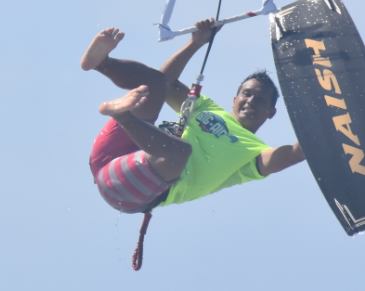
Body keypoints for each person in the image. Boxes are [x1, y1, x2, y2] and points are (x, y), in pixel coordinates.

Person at [81, 21, 304, 216]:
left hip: (133, 189)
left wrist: (331, 116)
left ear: (271, 113)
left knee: (181, 151)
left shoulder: (255, 153)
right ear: (235, 99)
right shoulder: (207, 107)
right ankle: (102, 63)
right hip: (109, 156)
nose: (251, 101)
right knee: (158, 83)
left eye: (261, 99)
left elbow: (295, 153)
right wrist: (195, 43)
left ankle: (123, 115)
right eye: (247, 94)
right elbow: (165, 81)